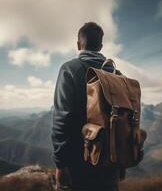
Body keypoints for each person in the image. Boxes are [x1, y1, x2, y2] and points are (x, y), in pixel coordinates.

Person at [51, 22, 119, 191]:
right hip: (111, 160)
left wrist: (60, 164)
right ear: (101, 46)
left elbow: (62, 119)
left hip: (80, 162)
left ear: (78, 44)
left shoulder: (70, 69)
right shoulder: (117, 74)